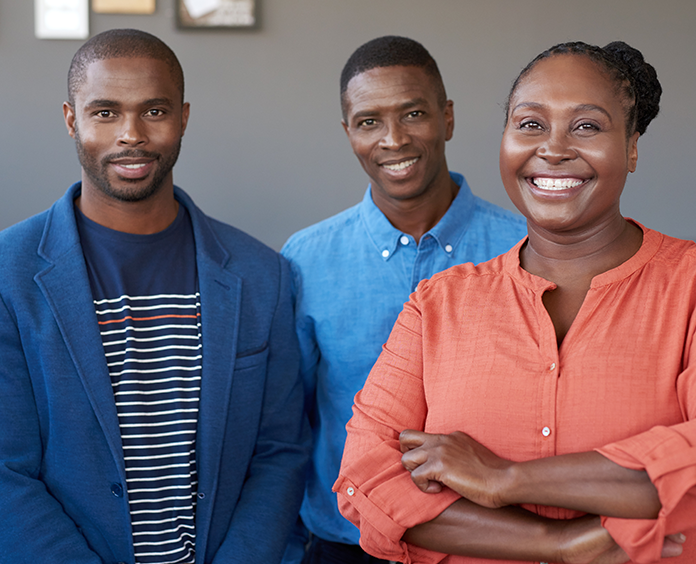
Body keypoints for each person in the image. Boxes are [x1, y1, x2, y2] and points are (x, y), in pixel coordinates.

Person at [335, 41, 696, 564]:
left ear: (632, 147)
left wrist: (504, 478)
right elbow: (367, 478)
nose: (552, 148)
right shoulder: (437, 303)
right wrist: (557, 543)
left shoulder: (688, 285)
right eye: (529, 125)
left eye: (587, 126)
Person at [0, 29, 308, 564]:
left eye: (154, 111)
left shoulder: (263, 275)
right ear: (72, 119)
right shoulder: (9, 272)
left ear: (183, 117)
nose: (131, 135)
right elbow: (6, 471)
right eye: (105, 113)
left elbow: (279, 453)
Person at [281, 36, 527, 564]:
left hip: (494, 544)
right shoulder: (306, 258)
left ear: (448, 118)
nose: (393, 139)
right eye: (369, 121)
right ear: (349, 134)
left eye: (413, 113)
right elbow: (287, 421)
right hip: (343, 544)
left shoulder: (525, 248)